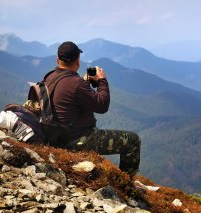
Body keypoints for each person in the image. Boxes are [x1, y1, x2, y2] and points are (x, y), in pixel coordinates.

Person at [45, 41, 140, 177]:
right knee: (132, 141)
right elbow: (102, 105)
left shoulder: (50, 77)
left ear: (57, 60)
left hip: (56, 136)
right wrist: (102, 81)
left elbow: (69, 95)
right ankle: (127, 183)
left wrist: (85, 83)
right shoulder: (76, 84)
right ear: (77, 61)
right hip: (77, 139)